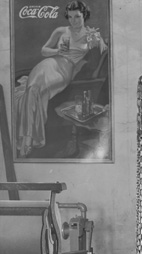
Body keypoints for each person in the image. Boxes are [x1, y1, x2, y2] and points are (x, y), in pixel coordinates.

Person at [14, 0, 107, 158]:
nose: (73, 20)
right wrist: (58, 50)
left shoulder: (91, 35)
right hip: (49, 63)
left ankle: (29, 138)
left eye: (77, 16)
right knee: (32, 89)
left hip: (64, 71)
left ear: (84, 15)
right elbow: (44, 50)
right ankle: (27, 139)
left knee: (38, 92)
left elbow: (104, 50)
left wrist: (97, 39)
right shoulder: (61, 30)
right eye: (70, 17)